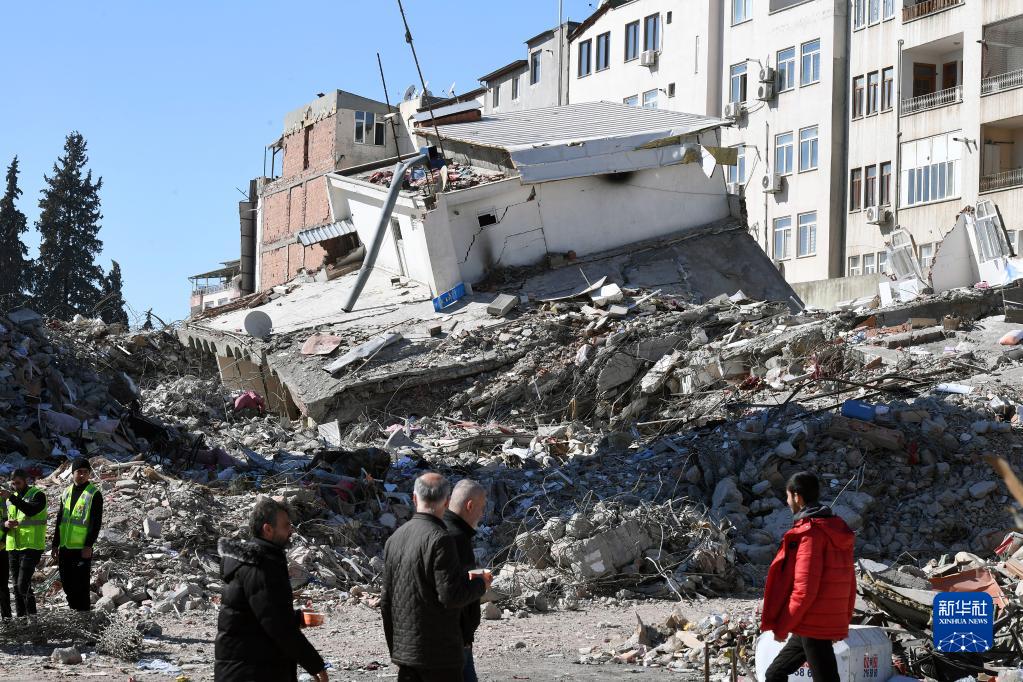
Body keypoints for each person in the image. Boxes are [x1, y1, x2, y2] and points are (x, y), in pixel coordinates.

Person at [381, 472, 491, 682]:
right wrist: (481, 584)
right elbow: (450, 596)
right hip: (439, 657)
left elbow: (386, 602)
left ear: (414, 498)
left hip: (406, 657)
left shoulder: (394, 538)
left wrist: (396, 650)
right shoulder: (441, 539)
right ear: (446, 501)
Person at [215, 497, 329, 682]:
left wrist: (296, 618)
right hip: (252, 672)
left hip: (243, 669)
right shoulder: (262, 566)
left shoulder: (250, 562)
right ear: (268, 529)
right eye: (286, 525)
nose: (291, 531)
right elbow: (277, 625)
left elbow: (258, 614)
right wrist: (315, 665)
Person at [761, 471, 856, 682]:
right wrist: (841, 622)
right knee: (774, 674)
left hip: (814, 623)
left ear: (797, 497)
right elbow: (850, 582)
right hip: (813, 622)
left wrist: (782, 627)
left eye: (788, 496)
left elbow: (804, 590)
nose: (787, 502)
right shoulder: (835, 529)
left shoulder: (811, 534)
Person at [443, 479, 488, 682]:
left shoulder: (439, 530)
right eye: (481, 508)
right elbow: (453, 592)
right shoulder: (457, 537)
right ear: (470, 506)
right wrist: (481, 583)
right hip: (455, 639)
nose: (482, 514)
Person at [52, 457, 103, 611]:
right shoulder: (66, 492)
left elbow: (95, 523)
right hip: (65, 547)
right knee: (67, 583)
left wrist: (88, 545)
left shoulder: (94, 494)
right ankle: (75, 611)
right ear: (72, 473)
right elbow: (60, 519)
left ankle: (84, 615)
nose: (82, 475)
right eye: (79, 472)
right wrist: (55, 544)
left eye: (85, 472)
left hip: (81, 548)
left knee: (80, 585)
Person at [3, 469, 47, 617]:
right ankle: (22, 621)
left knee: (23, 585)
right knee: (16, 587)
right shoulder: (11, 499)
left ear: (26, 480)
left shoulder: (37, 495)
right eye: (13, 483)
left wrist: (11, 497)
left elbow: (30, 510)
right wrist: (6, 524)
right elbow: (5, 519)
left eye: (18, 483)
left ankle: (33, 619)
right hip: (13, 546)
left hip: (31, 546)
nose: (15, 486)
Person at [0, 480, 11, 621]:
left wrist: (2, 540)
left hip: (1, 548)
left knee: (2, 586)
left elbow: (7, 521)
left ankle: (7, 620)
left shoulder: (2, 497)